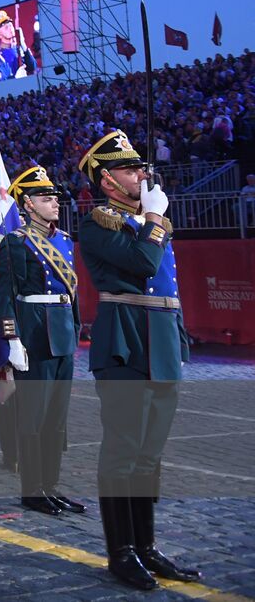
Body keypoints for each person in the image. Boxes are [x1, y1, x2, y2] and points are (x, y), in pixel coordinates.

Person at [77, 130, 201, 590]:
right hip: (126, 342)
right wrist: (153, 218)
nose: (142, 175)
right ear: (108, 180)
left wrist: (180, 339)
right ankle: (122, 552)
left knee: (150, 455)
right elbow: (145, 265)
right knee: (123, 452)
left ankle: (147, 546)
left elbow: (168, 284)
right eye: (131, 169)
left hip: (163, 341)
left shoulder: (149, 220)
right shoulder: (99, 223)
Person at [0, 165, 84, 517]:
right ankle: (32, 489)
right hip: (34, 335)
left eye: (55, 198)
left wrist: (75, 328)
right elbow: (4, 296)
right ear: (27, 204)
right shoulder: (16, 243)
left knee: (56, 419)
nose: (54, 204)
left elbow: (71, 294)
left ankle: (51, 486)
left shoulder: (63, 241)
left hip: (61, 334)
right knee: (32, 417)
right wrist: (12, 340)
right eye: (46, 199)